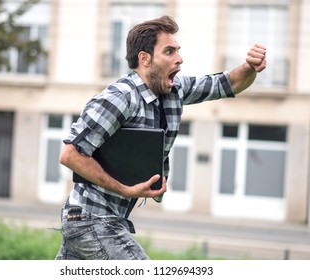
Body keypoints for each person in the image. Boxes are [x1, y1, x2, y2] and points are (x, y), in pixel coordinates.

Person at [55, 15, 266, 260]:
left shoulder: (174, 90)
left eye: (178, 50)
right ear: (145, 59)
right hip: (91, 219)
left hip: (103, 219)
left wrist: (250, 67)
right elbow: (70, 154)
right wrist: (125, 189)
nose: (179, 58)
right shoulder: (120, 97)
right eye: (169, 51)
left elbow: (228, 83)